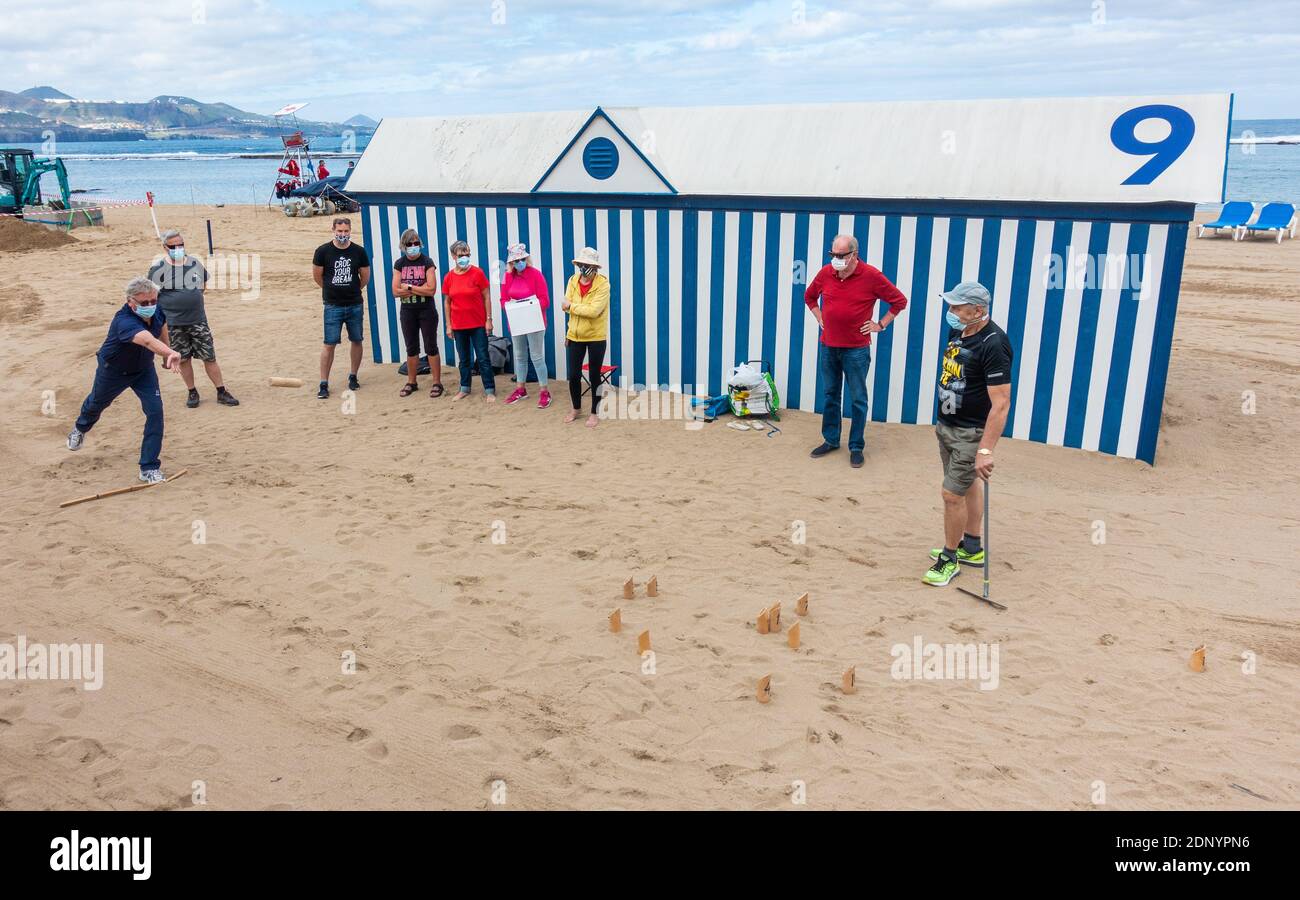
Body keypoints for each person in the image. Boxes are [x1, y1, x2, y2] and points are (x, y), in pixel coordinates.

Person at [923, 281, 1013, 587]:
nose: (951, 312)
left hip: (970, 431)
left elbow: (1001, 404)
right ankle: (972, 547)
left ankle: (949, 558)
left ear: (978, 310)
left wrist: (985, 449)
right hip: (947, 426)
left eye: (957, 307)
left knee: (951, 495)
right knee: (966, 487)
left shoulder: (994, 344)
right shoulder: (958, 330)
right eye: (950, 305)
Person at [804, 234, 908, 468]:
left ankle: (856, 446)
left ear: (854, 255)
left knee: (858, 398)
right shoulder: (825, 273)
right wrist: (819, 316)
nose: (837, 260)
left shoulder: (871, 276)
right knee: (831, 394)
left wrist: (880, 325)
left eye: (842, 255)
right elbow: (809, 296)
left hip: (856, 350)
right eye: (833, 255)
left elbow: (899, 301)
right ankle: (830, 440)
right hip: (829, 345)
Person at [66, 277, 183, 483]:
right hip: (114, 371)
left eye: (153, 301)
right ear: (131, 302)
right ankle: (80, 428)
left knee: (155, 412)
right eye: (144, 303)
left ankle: (149, 467)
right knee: (97, 403)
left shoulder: (157, 310)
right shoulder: (124, 321)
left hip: (143, 370)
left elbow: (162, 327)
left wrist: (167, 353)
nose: (151, 306)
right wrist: (168, 352)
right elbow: (147, 339)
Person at [149, 229, 239, 409]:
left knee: (209, 357)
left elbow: (203, 283)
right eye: (174, 246)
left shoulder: (194, 263)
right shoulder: (157, 270)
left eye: (181, 245)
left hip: (198, 320)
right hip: (174, 324)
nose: (178, 249)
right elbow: (152, 296)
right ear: (165, 248)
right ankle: (192, 391)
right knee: (183, 359)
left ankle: (221, 391)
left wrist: (193, 295)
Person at [312, 217, 370, 399]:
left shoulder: (359, 251)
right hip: (332, 305)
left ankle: (353, 376)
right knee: (329, 344)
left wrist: (353, 289)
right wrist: (330, 289)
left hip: (354, 303)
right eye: (340, 231)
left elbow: (365, 277)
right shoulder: (323, 251)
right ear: (333, 230)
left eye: (346, 231)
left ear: (350, 231)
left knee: (357, 339)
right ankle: (323, 383)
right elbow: (317, 276)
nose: (343, 234)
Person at [392, 228, 444, 397]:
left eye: (416, 243)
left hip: (426, 310)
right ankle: (411, 382)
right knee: (411, 347)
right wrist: (418, 289)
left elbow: (431, 290)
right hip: (407, 311)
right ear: (403, 245)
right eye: (409, 244)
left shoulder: (427, 262)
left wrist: (409, 287)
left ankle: (437, 382)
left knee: (431, 346)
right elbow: (395, 291)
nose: (413, 246)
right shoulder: (399, 264)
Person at [441, 240, 495, 402]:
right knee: (464, 359)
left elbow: (487, 296)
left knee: (483, 357)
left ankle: (489, 389)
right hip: (458, 325)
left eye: (467, 255)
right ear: (453, 256)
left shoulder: (478, 273)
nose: (464, 258)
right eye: (460, 255)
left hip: (478, 324)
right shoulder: (449, 277)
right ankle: (464, 388)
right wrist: (448, 325)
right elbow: (447, 302)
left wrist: (488, 320)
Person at [562, 247, 610, 428]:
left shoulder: (603, 285)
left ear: (595, 267)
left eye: (587, 265)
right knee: (573, 375)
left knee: (595, 375)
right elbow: (565, 306)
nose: (583, 268)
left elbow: (594, 311)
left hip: (596, 337)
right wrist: (568, 334)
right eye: (581, 264)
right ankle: (576, 408)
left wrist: (571, 306)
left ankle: (594, 412)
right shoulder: (572, 280)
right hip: (574, 335)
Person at [500, 242, 552, 408]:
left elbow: (545, 300)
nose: (519, 263)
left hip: (534, 320)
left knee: (536, 356)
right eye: (515, 261)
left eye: (521, 259)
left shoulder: (536, 274)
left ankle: (544, 390)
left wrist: (529, 305)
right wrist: (513, 306)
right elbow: (503, 300)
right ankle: (520, 388)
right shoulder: (507, 276)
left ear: (526, 259)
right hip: (517, 321)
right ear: (511, 263)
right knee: (520, 355)